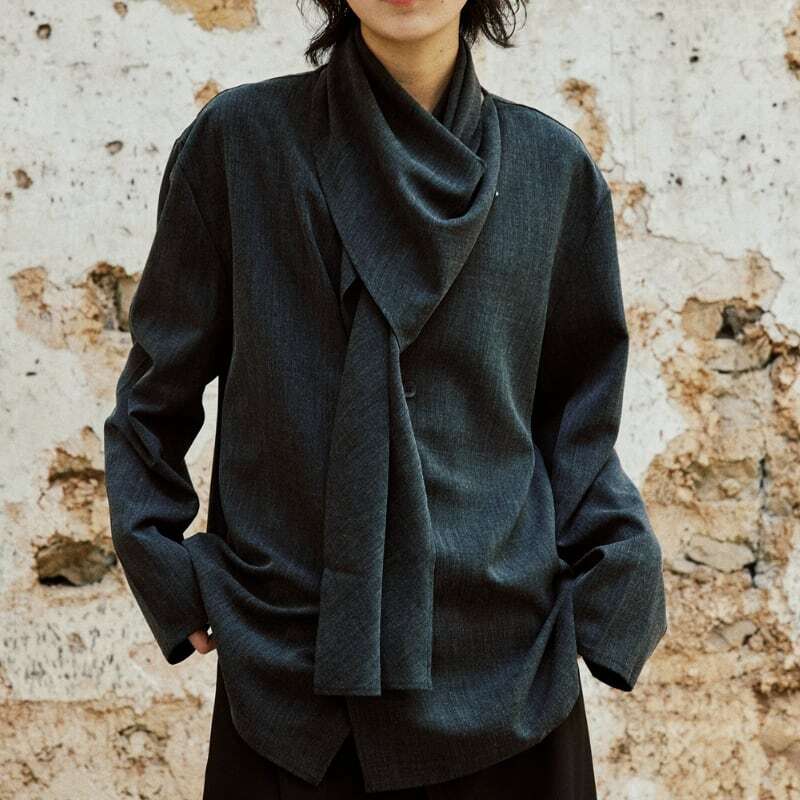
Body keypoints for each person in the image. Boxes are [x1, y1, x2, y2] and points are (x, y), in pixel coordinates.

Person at [103, 1, 668, 797]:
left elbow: (579, 419)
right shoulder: (241, 145)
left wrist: (617, 574)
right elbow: (153, 394)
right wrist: (161, 563)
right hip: (290, 677)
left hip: (507, 675)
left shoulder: (552, 169)